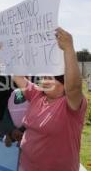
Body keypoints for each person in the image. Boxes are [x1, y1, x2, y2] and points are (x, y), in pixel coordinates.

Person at [13, 28, 87, 171]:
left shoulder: (70, 105)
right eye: (44, 77)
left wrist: (68, 49)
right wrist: (12, 52)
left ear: (63, 82)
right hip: (26, 166)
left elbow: (74, 88)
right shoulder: (37, 94)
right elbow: (17, 77)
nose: (44, 81)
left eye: (50, 78)